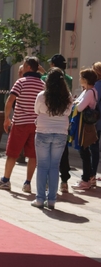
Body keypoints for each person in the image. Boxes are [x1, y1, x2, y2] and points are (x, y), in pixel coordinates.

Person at [0, 56, 44, 192]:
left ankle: (6, 180)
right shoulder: (43, 84)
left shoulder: (21, 82)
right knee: (33, 155)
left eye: (24, 65)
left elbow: (10, 100)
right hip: (37, 124)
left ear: (29, 67)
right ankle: (27, 183)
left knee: (12, 153)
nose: (23, 67)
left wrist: (7, 118)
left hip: (20, 123)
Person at [31, 67, 73, 209]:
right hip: (61, 133)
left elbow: (36, 110)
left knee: (42, 166)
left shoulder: (42, 95)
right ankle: (52, 200)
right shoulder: (68, 97)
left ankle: (40, 198)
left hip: (43, 131)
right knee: (54, 166)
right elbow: (68, 112)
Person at [40, 54, 73, 192]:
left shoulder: (44, 79)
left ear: (53, 64)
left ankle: (46, 184)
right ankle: (64, 180)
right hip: (63, 121)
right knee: (63, 153)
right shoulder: (69, 79)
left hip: (46, 122)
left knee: (46, 157)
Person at [70, 68, 98, 190]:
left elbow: (79, 107)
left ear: (86, 80)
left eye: (81, 77)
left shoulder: (90, 92)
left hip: (84, 126)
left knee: (84, 152)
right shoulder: (87, 90)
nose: (79, 79)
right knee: (84, 151)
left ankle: (85, 179)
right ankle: (90, 176)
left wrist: (75, 104)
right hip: (83, 125)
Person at [91, 62, 101, 187]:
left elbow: (95, 101)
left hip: (98, 121)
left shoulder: (98, 85)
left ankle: (92, 174)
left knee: (94, 148)